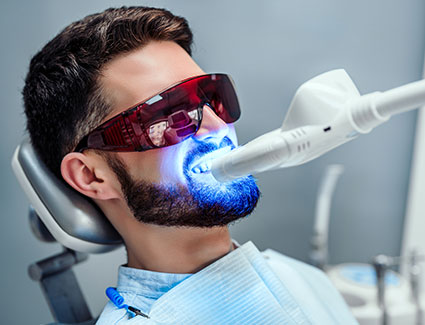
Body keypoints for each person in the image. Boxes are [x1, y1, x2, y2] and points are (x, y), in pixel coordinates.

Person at [23, 6, 358, 324]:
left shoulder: (303, 278)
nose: (216, 127)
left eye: (212, 98)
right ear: (92, 176)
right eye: (168, 114)